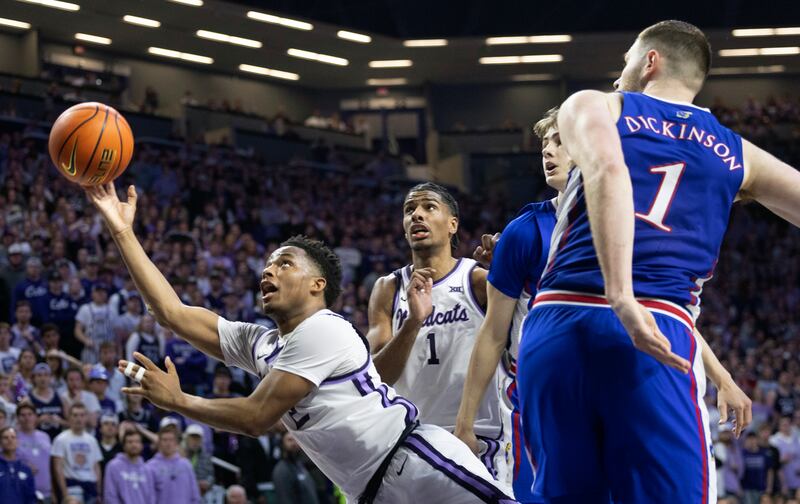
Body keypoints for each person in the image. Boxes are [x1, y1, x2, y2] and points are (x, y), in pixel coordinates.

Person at [86, 182, 516, 503]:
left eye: (284, 263)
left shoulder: (325, 329)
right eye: (267, 265)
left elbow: (256, 417)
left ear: (317, 284)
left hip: (419, 465)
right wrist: (123, 232)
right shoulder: (264, 344)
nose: (268, 272)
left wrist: (181, 402)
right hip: (373, 490)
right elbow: (173, 313)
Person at [517, 18, 800, 503]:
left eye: (626, 58)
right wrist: (624, 299)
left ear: (650, 61)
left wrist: (617, 290)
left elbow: (608, 168)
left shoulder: (594, 104)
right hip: (656, 321)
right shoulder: (738, 152)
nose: (618, 72)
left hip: (554, 323)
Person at [456, 107, 753, 501]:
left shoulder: (630, 222)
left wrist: (723, 378)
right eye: (544, 144)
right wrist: (465, 420)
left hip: (625, 384)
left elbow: (662, 312)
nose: (548, 152)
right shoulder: (524, 231)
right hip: (548, 397)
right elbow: (493, 333)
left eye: (559, 141)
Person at [367, 182, 506, 479]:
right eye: (409, 210)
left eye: (429, 207)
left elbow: (517, 347)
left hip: (475, 439)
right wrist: (413, 322)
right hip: (412, 442)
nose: (417, 215)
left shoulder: (478, 280)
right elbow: (377, 376)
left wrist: (507, 278)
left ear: (452, 224)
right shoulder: (387, 289)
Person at [52, 403, 103, 504]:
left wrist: (98, 492)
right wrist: (65, 494)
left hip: (90, 485)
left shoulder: (92, 440)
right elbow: (57, 468)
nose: (78, 419)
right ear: (69, 417)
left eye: (82, 415)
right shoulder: (61, 439)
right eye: (75, 415)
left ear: (86, 417)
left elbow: (96, 467)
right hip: (72, 485)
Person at [146, 424, 201, 504]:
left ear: (176, 442)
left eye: (171, 440)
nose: (168, 443)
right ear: (159, 442)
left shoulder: (186, 465)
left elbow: (195, 495)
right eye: (165, 440)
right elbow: (148, 496)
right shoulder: (150, 467)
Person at [104, 429, 156, 504]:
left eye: (137, 442)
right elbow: (110, 495)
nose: (134, 445)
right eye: (130, 442)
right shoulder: (113, 466)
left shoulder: (147, 470)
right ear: (124, 446)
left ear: (141, 446)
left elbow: (151, 497)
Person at [14, 403, 51, 502]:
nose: (27, 418)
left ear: (35, 417)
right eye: (23, 415)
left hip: (47, 492)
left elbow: (51, 465)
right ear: (17, 418)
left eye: (30, 414)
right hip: (22, 492)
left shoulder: (45, 436)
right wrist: (22, 466)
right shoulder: (12, 438)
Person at [74, 283, 116, 364]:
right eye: (98, 292)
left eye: (103, 292)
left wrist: (118, 349)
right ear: (92, 294)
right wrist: (85, 340)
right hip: (91, 348)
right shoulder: (85, 308)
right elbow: (77, 330)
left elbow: (117, 331)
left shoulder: (112, 310)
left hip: (108, 348)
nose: (100, 294)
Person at [273, 432, 319, 504]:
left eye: (296, 440)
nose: (294, 443)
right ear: (282, 444)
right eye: (290, 440)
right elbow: (284, 499)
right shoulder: (281, 470)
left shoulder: (299, 465)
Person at [27, 362, 66, 439]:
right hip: (36, 441)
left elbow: (71, 423)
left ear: (51, 378)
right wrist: (38, 421)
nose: (43, 378)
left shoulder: (61, 398)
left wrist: (60, 421)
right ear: (34, 378)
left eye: (46, 375)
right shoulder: (28, 400)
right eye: (39, 375)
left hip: (58, 440)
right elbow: (21, 426)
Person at [0, 426, 36, 503]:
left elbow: (31, 497)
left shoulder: (26, 469)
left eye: (13, 437)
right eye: (5, 438)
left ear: (18, 441)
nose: (10, 440)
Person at [182, 423, 214, 497]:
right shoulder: (179, 455)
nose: (195, 441)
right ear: (186, 439)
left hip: (201, 494)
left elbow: (211, 476)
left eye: (197, 438)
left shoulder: (206, 457)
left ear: (201, 440)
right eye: (192, 438)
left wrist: (207, 483)